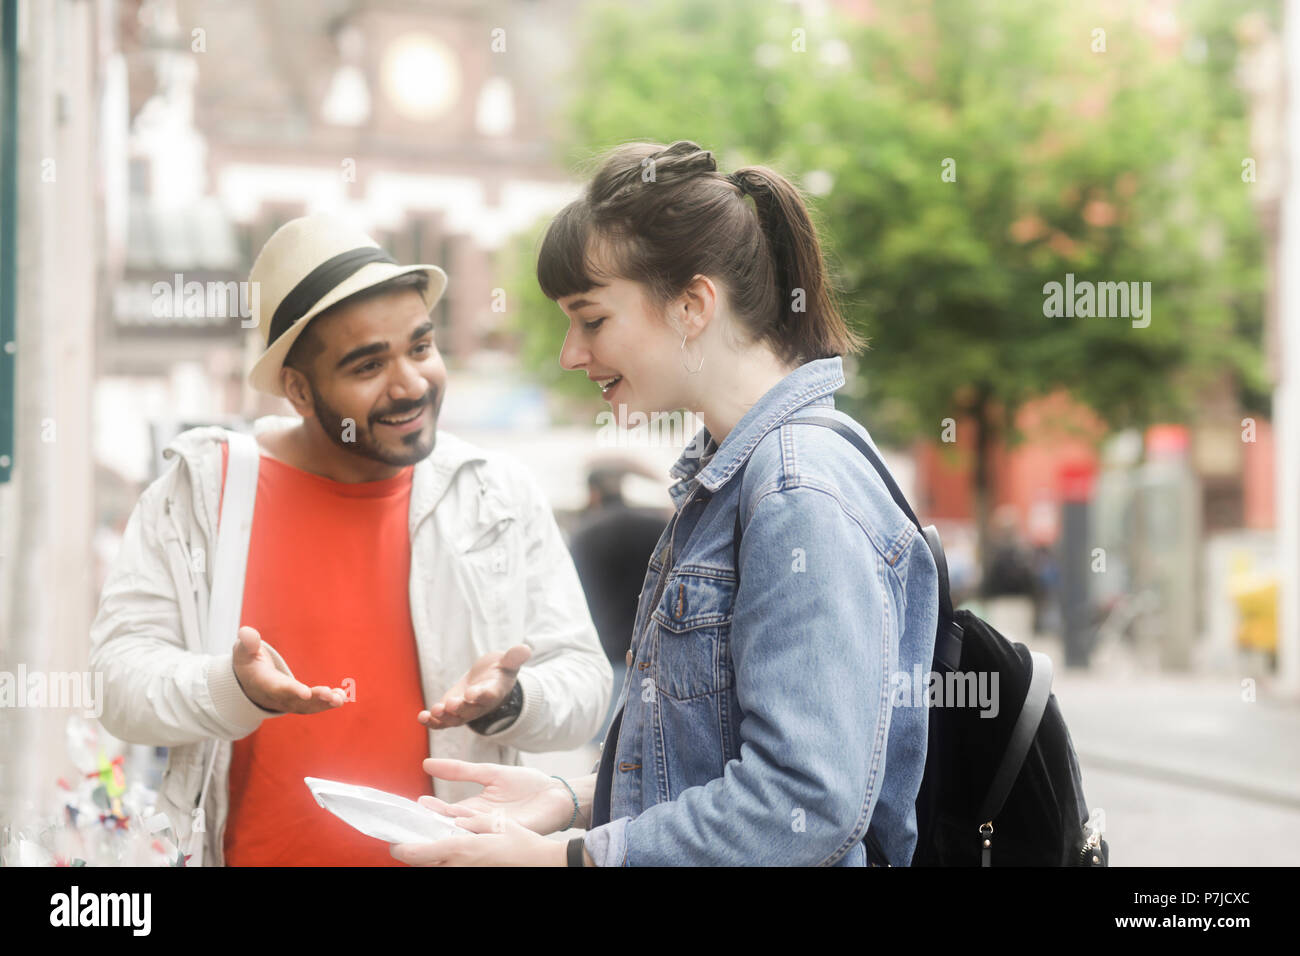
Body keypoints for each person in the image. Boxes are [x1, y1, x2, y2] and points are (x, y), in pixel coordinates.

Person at [389, 140, 939, 867]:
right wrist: (569, 798)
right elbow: (711, 762)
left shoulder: (795, 489)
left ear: (692, 305)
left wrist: (571, 858)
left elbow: (801, 805)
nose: (570, 354)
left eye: (592, 319)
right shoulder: (734, 480)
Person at [89, 215, 611, 865]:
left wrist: (512, 702)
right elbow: (118, 684)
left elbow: (585, 683)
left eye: (420, 348)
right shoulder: (201, 492)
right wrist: (233, 689)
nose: (411, 384)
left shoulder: (494, 493)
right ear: (300, 390)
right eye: (368, 365)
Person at [567, 465, 669, 742]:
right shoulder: (657, 527)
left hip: (606, 656)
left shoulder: (583, 536)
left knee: (605, 755)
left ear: (593, 493)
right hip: (655, 656)